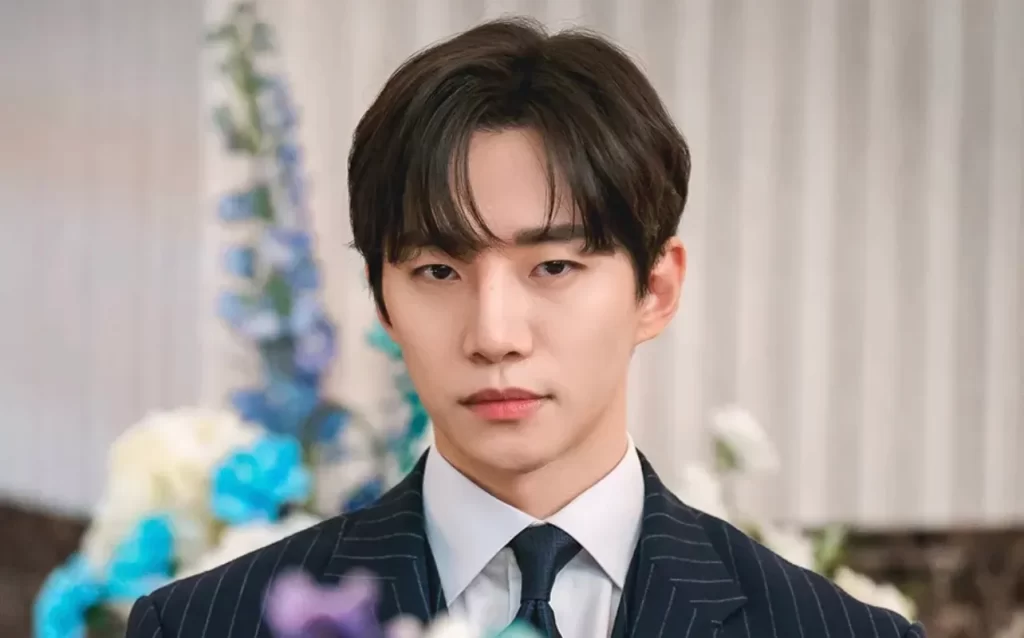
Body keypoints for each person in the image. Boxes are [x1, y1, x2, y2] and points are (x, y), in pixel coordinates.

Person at [127, 17, 926, 638]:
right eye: (439, 271)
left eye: (554, 267)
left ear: (655, 289)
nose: (494, 334)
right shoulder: (206, 625)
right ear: (381, 299)